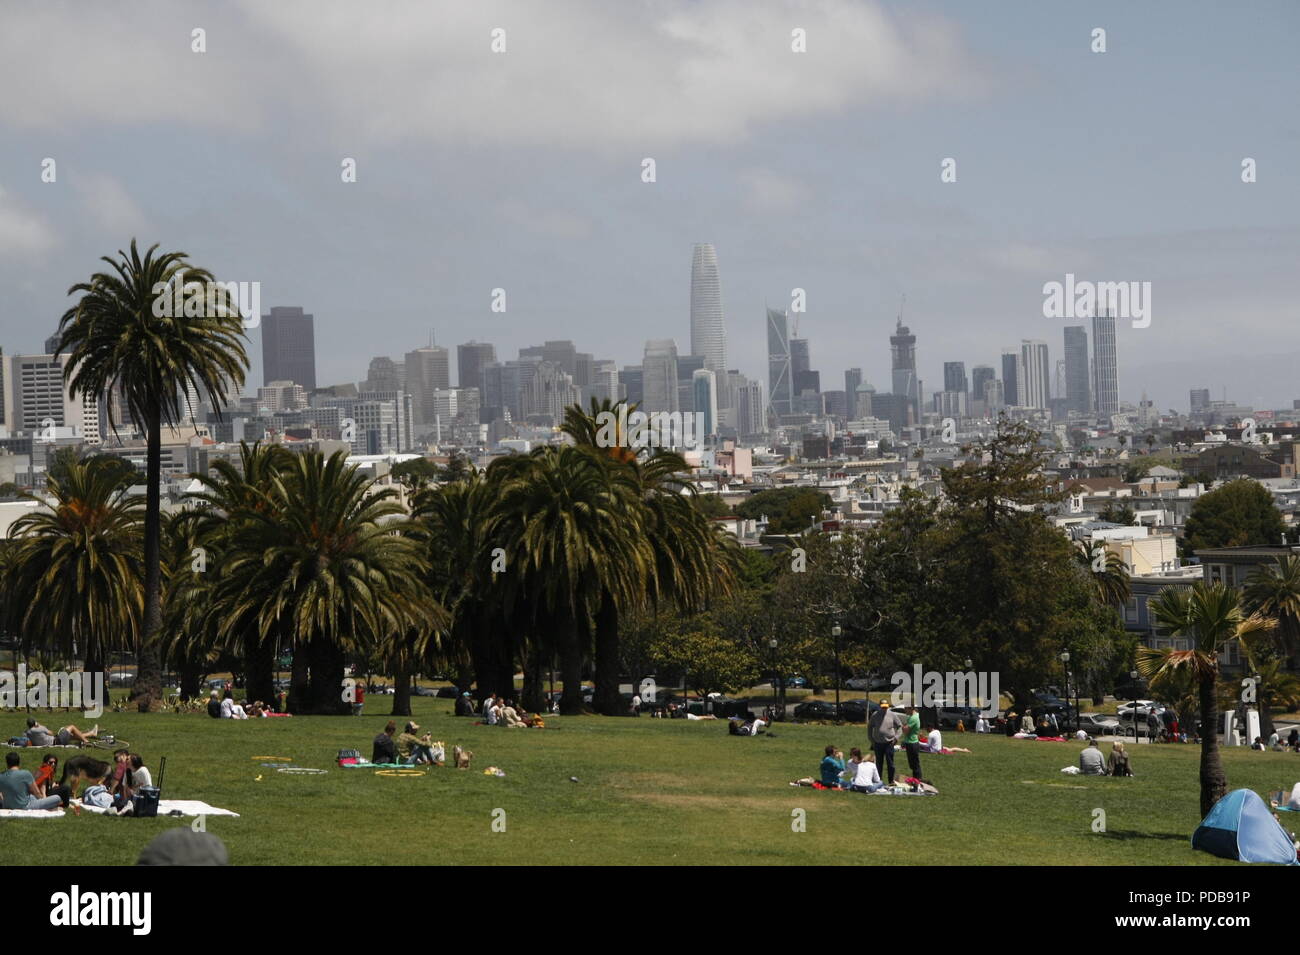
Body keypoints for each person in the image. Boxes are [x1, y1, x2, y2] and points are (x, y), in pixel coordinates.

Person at [868, 700, 907, 785]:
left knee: (890, 763)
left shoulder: (892, 715)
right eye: (883, 707)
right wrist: (871, 739)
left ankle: (891, 781)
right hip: (877, 743)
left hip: (889, 743)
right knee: (878, 764)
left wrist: (896, 738)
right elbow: (870, 727)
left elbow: (900, 726)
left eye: (886, 707)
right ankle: (878, 781)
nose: (884, 708)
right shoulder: (875, 715)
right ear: (879, 706)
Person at [901, 705, 924, 781]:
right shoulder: (913, 715)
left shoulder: (913, 718)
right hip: (910, 742)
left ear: (911, 709)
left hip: (912, 743)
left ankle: (918, 781)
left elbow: (905, 731)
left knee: (915, 765)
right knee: (913, 765)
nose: (905, 710)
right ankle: (915, 780)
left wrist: (901, 725)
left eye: (906, 709)